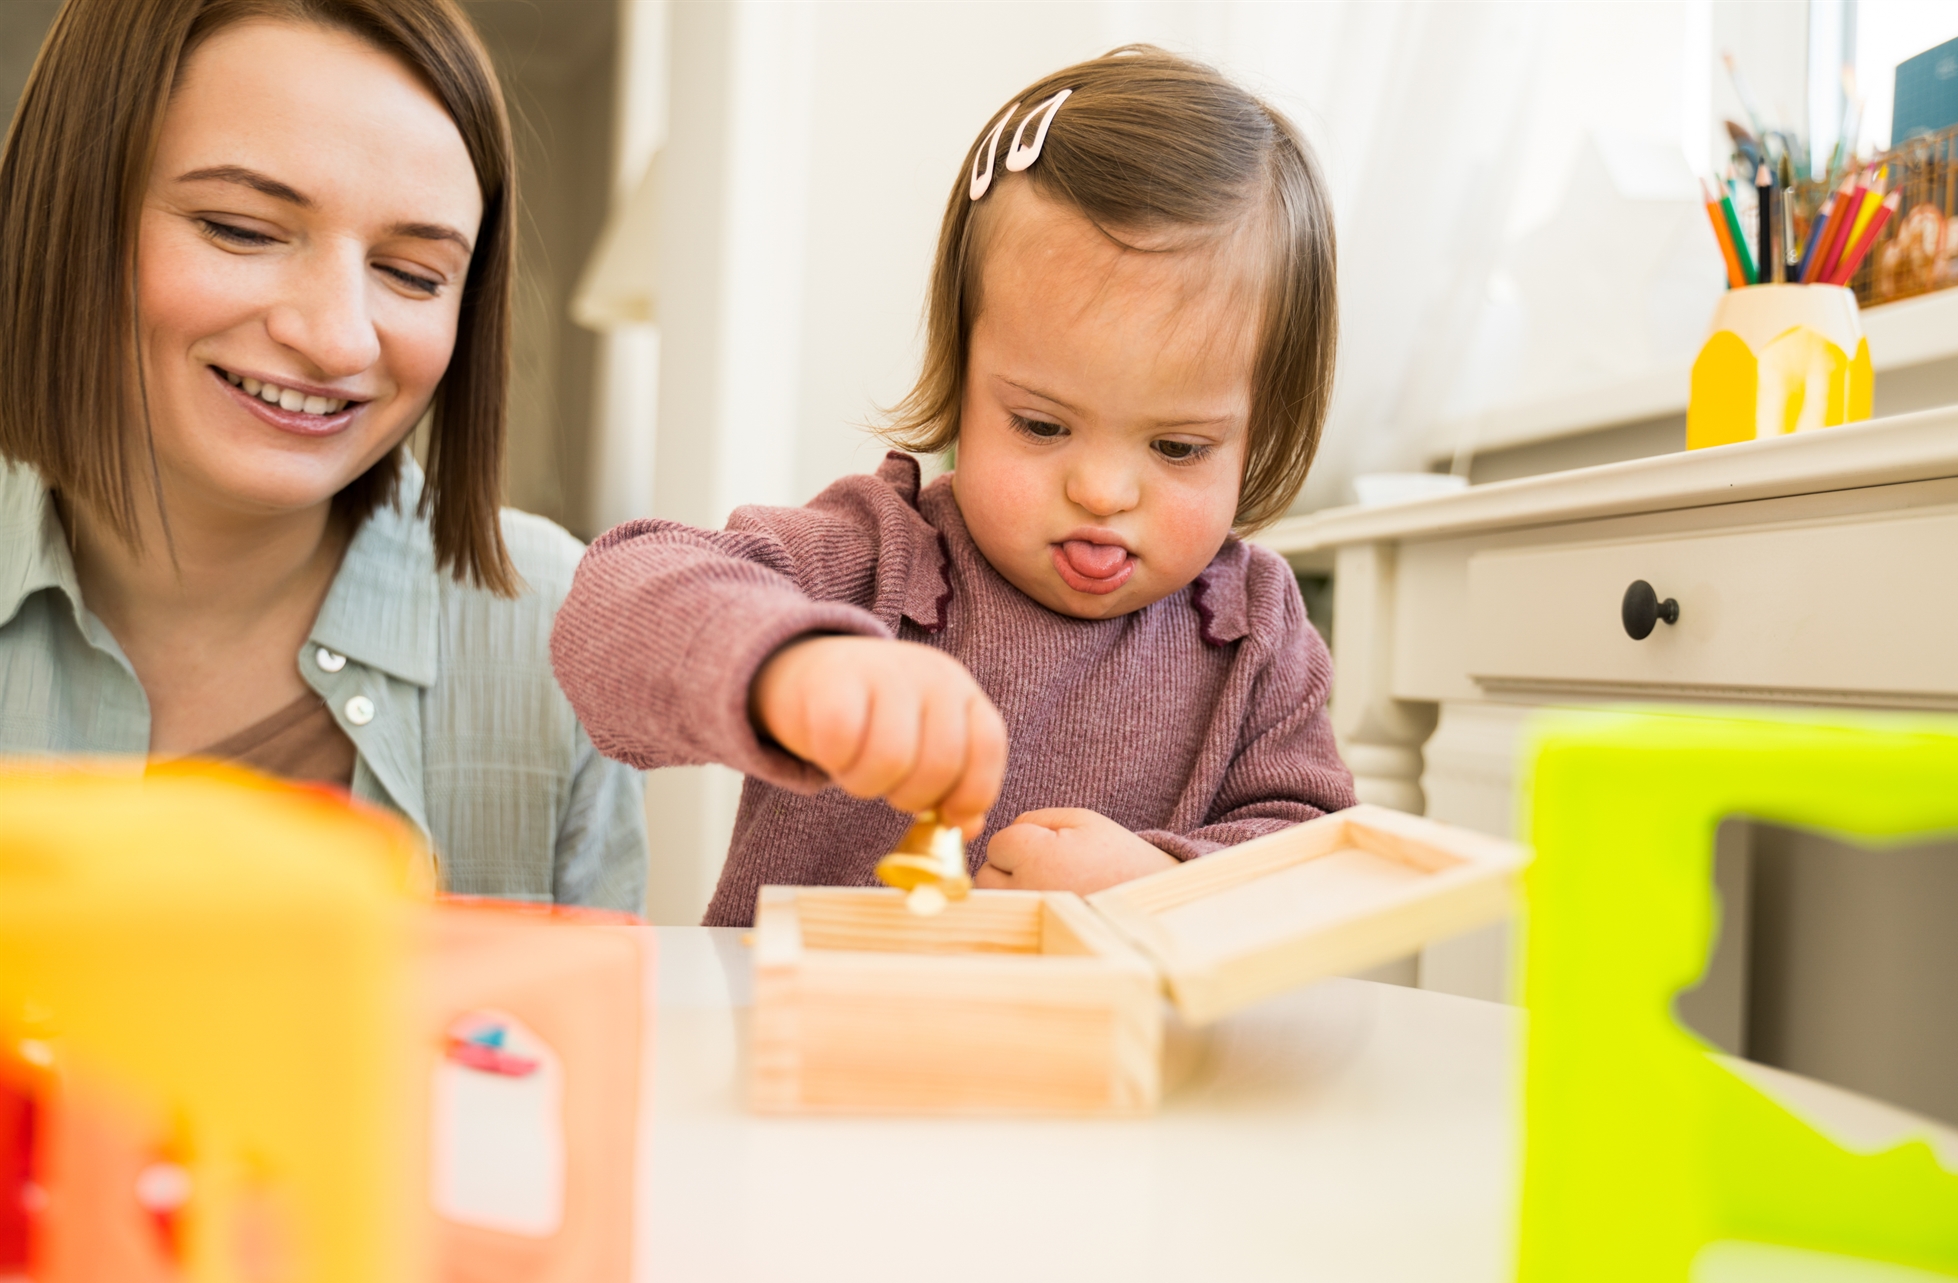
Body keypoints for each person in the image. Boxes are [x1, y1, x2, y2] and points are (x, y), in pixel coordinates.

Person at [552, 46, 1350, 927]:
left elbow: (1321, 876)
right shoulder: (871, 559)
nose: (1102, 488)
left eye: (1178, 445)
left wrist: (1158, 884)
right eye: (1042, 425)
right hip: (807, 1048)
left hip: (1103, 1066)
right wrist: (789, 665)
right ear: (961, 377)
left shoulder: (1259, 639)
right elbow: (607, 612)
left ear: (1258, 432)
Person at [0, 0, 642, 909]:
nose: (340, 341)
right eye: (241, 228)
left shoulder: (554, 630)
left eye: (414, 275)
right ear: (66, 210)